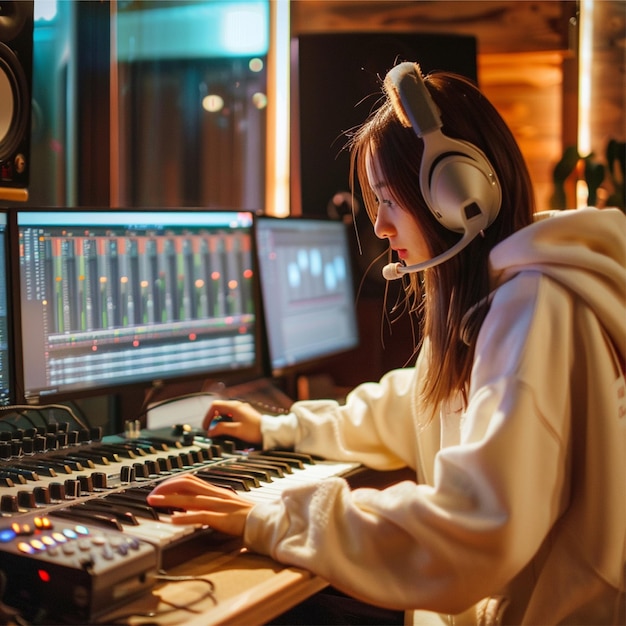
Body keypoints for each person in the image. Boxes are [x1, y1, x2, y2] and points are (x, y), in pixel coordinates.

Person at [147, 62, 626, 625]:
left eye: (388, 201)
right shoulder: (493, 301)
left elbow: (474, 531)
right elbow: (411, 405)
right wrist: (280, 428)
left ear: (455, 194)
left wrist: (272, 516)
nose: (380, 227)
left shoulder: (536, 308)